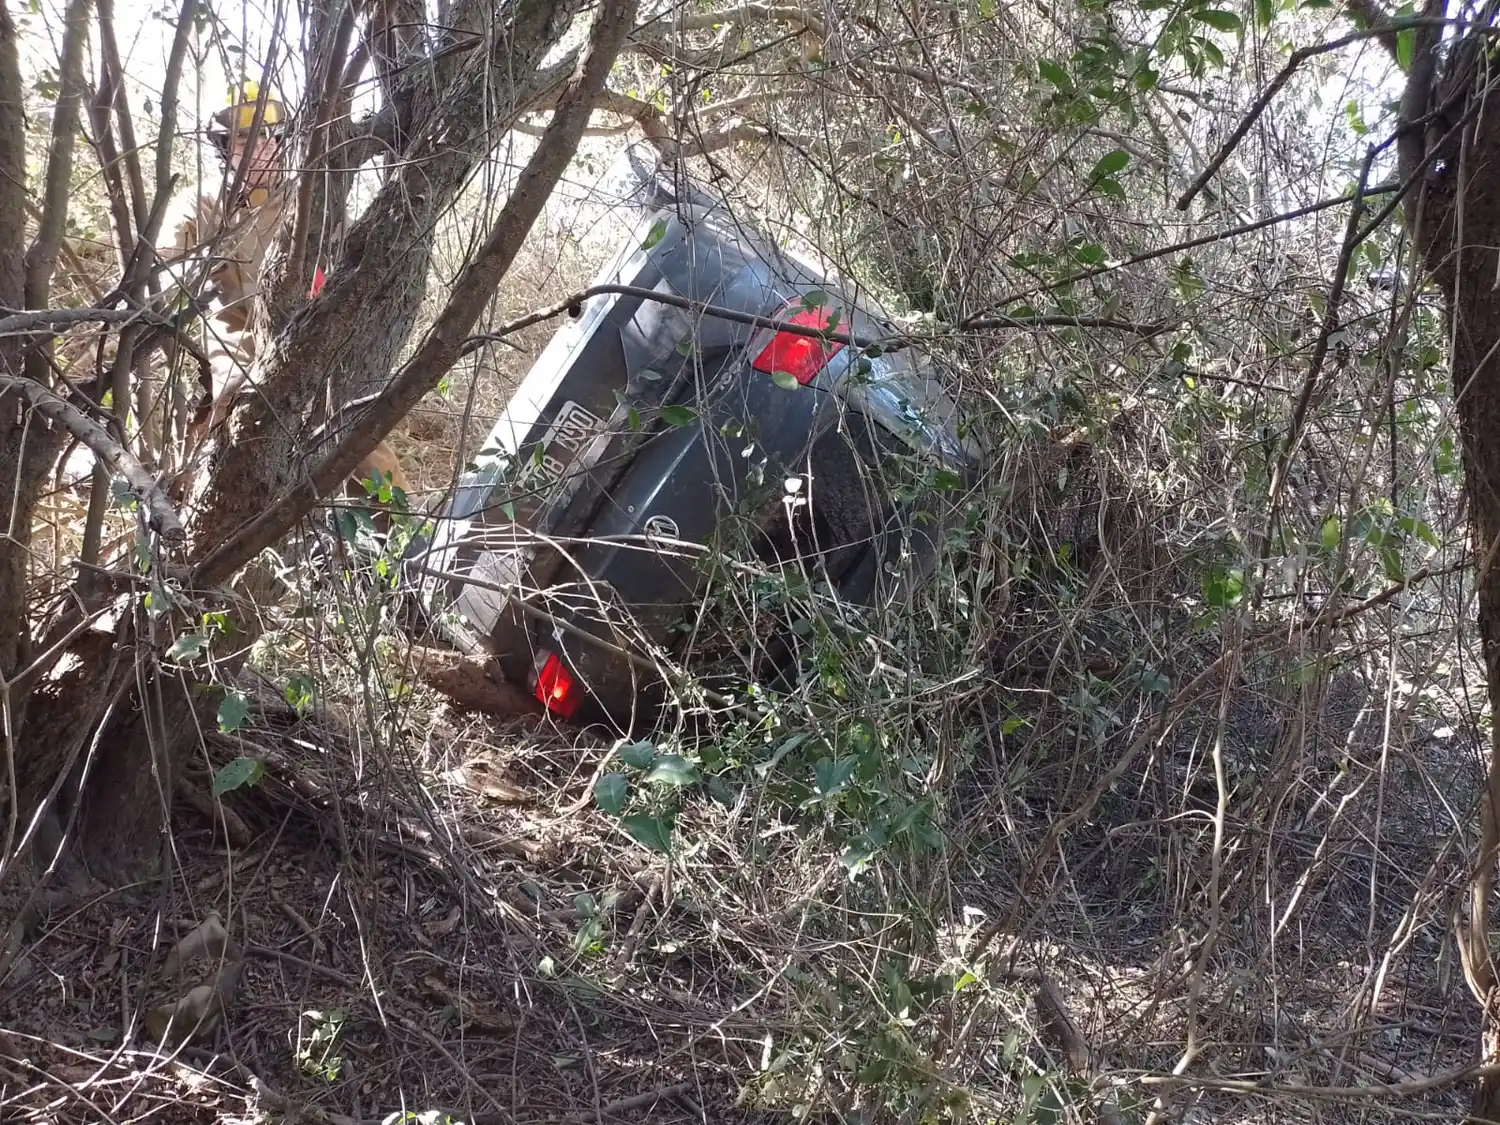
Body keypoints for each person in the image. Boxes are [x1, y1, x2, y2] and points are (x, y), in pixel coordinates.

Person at [167, 82, 410, 505]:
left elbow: (343, 268)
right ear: (225, 144)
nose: (258, 145)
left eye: (267, 133)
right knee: (235, 409)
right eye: (244, 136)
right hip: (235, 338)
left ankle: (408, 541)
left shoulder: (311, 200)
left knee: (359, 438)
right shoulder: (204, 205)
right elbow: (168, 274)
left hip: (310, 335)